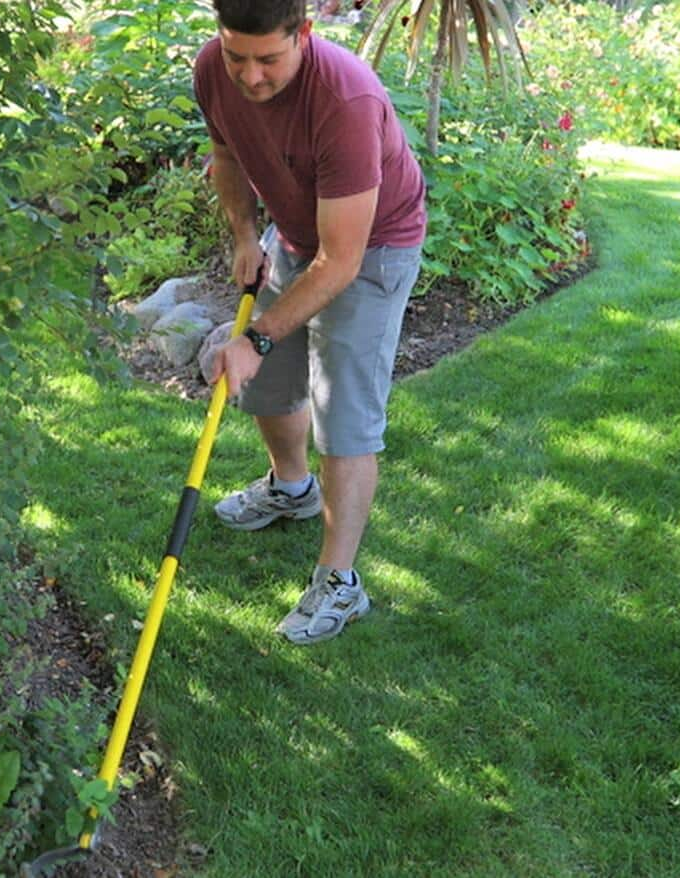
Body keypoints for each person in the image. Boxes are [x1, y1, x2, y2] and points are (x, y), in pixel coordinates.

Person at [193, 0, 427, 645]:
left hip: (371, 249)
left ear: (305, 33)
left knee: (346, 417)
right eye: (237, 56)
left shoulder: (345, 101)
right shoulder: (215, 66)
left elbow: (341, 261)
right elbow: (228, 154)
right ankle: (292, 489)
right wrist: (244, 235)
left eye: (268, 59)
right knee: (267, 386)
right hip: (295, 235)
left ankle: (340, 583)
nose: (250, 76)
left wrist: (258, 336)